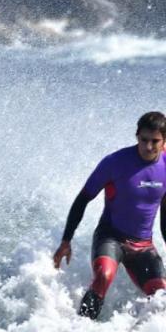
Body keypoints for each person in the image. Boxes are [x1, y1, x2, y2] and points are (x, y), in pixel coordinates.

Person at [53, 111, 166, 319]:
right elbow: (83, 199)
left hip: (144, 246)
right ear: (137, 136)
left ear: (164, 140)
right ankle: (78, 331)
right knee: (103, 277)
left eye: (155, 141)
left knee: (160, 295)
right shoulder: (115, 162)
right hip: (111, 237)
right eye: (144, 140)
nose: (148, 147)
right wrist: (66, 241)